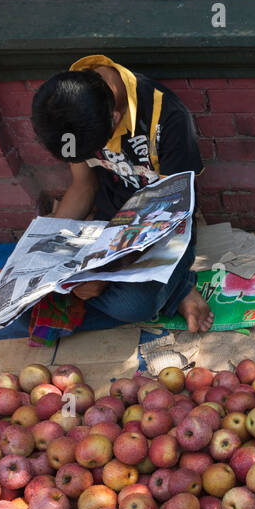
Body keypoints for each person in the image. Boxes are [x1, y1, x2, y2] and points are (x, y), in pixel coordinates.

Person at [31, 55, 213, 332]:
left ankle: (176, 289)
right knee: (32, 295)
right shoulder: (70, 107)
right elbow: (83, 185)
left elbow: (172, 215)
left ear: (115, 118)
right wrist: (48, 249)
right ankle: (171, 294)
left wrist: (106, 274)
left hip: (162, 230)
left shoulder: (167, 117)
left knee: (134, 305)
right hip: (105, 228)